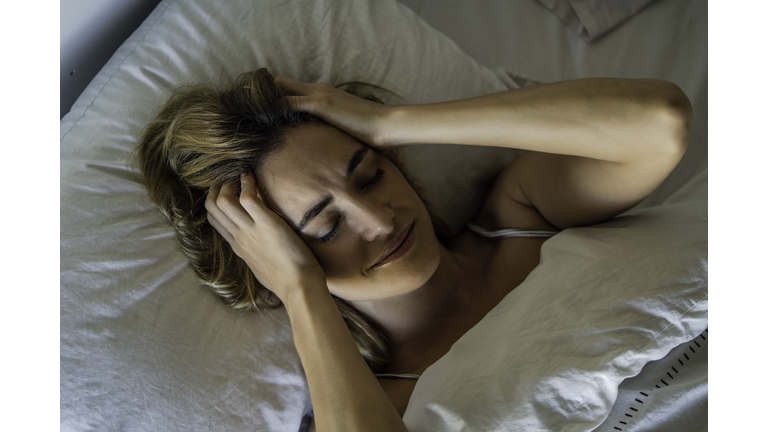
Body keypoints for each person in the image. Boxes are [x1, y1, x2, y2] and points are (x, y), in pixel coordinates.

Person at [137, 68, 691, 431]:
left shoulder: (521, 215)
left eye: (371, 176)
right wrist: (299, 290)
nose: (379, 220)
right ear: (270, 258)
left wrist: (389, 123)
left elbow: (661, 123)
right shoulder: (375, 406)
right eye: (326, 226)